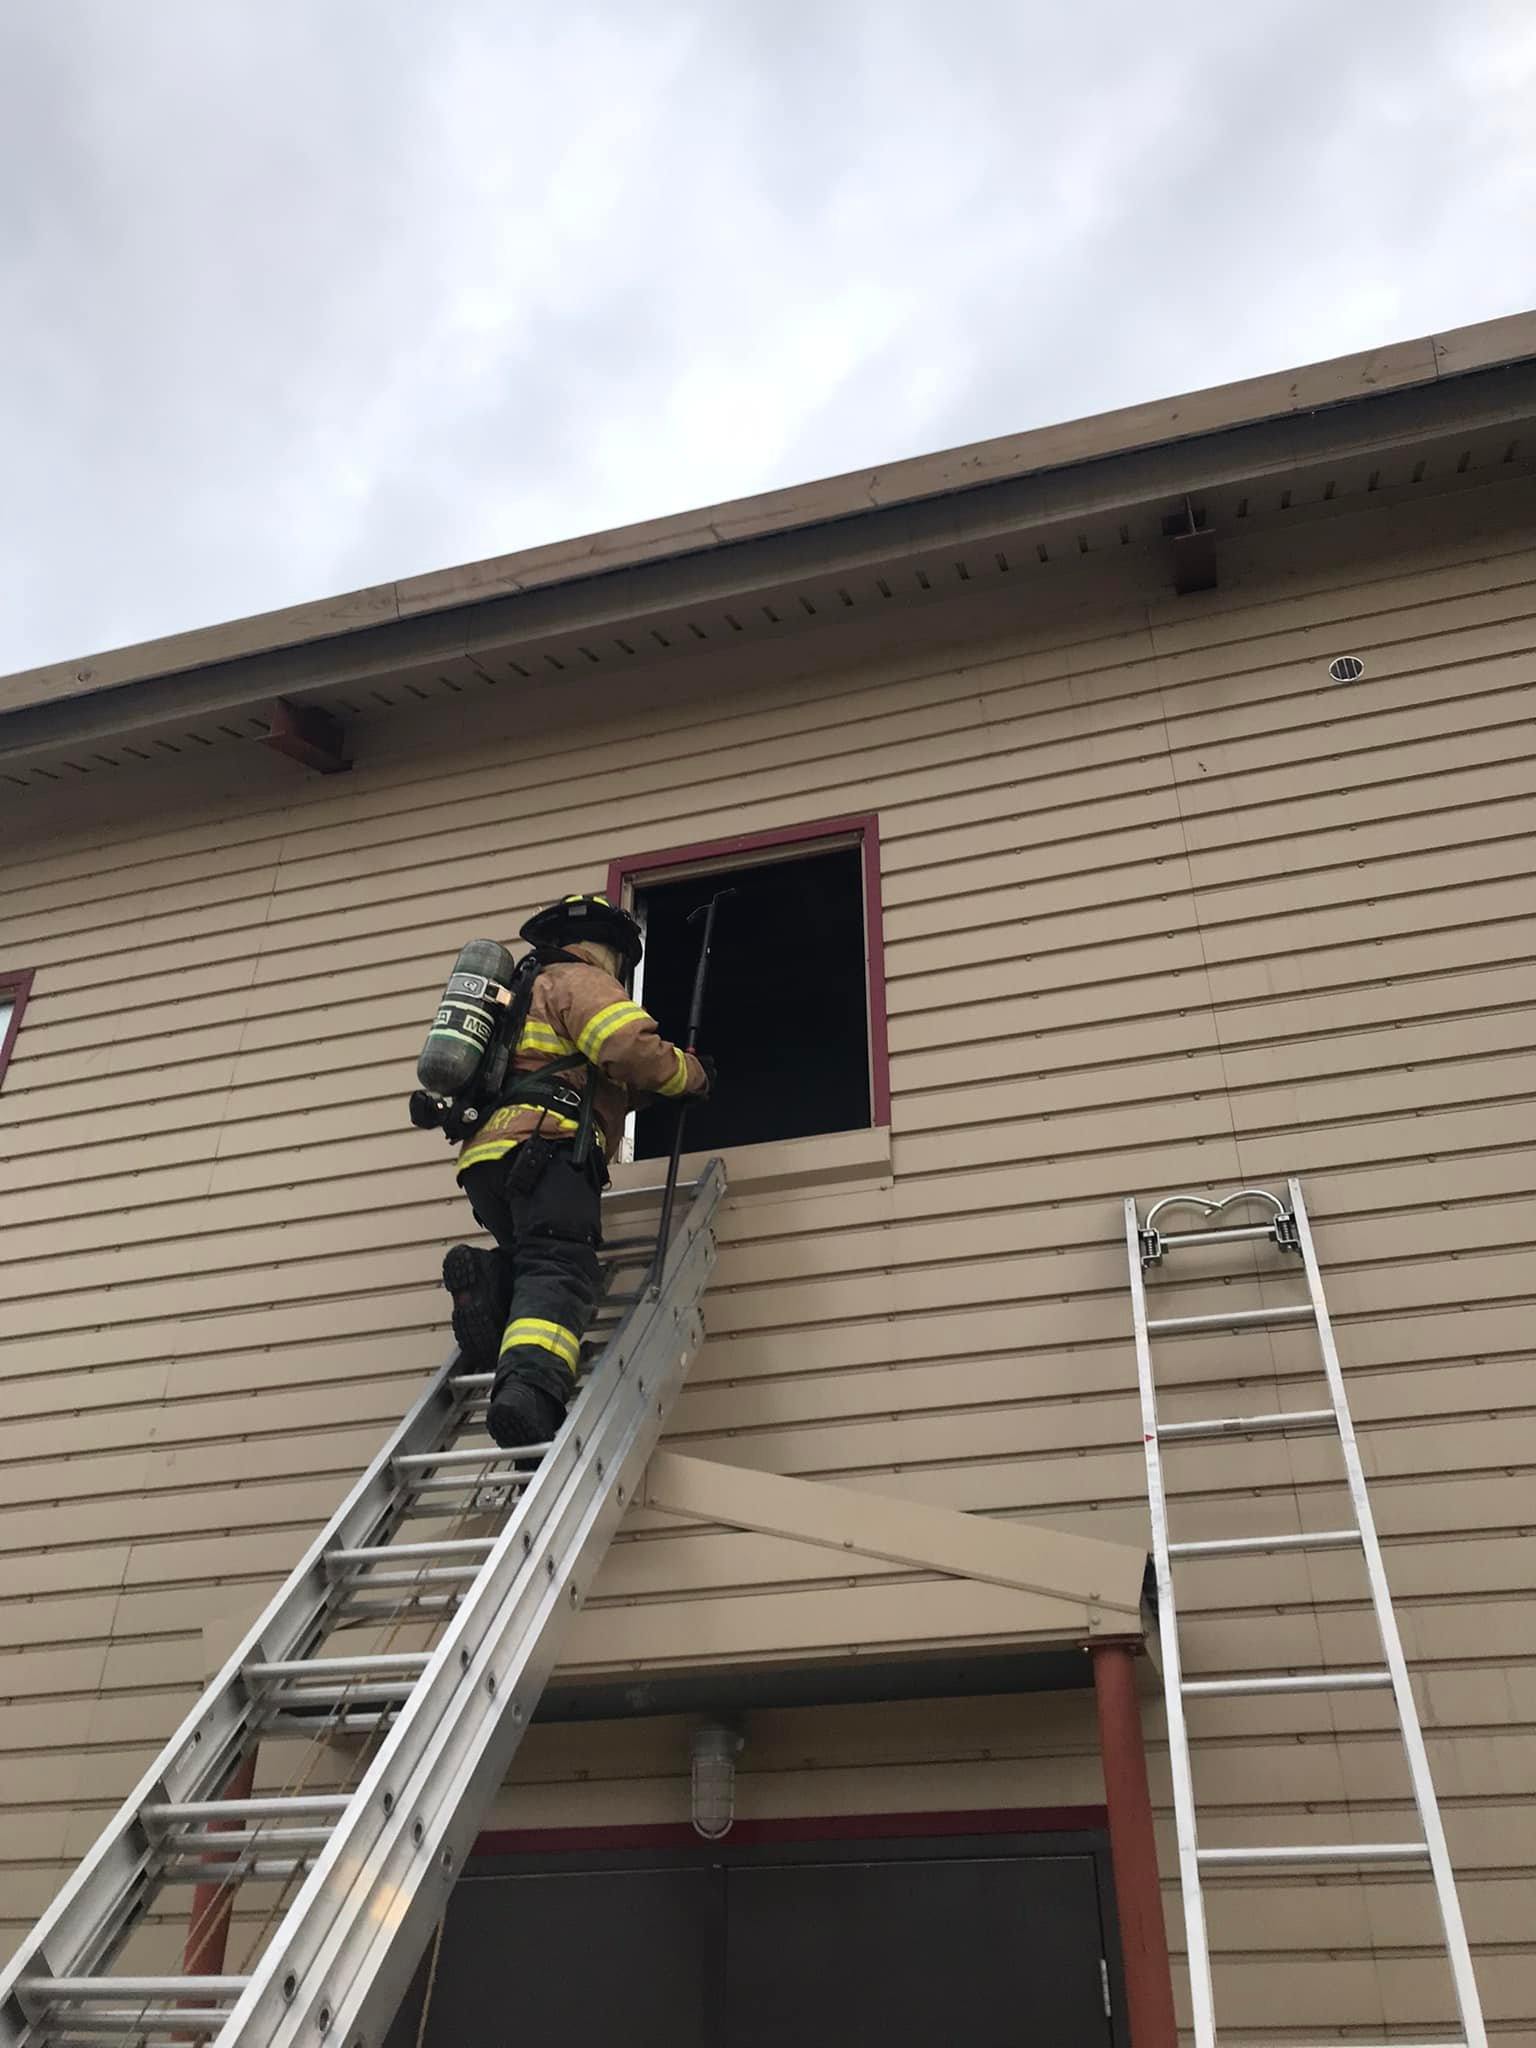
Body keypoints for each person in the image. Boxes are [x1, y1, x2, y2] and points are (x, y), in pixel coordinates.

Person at [441, 893, 712, 1448]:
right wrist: (689, 1075)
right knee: (562, 1270)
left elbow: (576, 1074)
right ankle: (531, 1391)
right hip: (548, 1151)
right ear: (609, 950)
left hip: (486, 1160)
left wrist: (648, 1097)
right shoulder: (577, 979)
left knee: (531, 1260)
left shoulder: (516, 995)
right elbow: (625, 1046)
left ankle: (489, 1285)